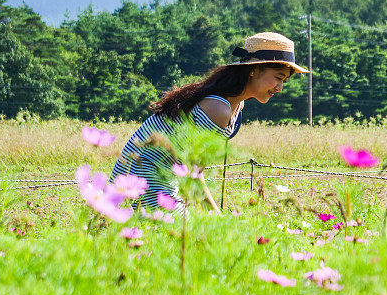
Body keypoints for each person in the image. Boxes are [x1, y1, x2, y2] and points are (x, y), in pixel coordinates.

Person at [110, 31, 309, 212]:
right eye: (278, 77)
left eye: (284, 80)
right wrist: (216, 218)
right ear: (254, 70)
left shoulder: (235, 105)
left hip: (159, 182)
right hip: (142, 183)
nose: (280, 87)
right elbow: (193, 174)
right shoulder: (218, 108)